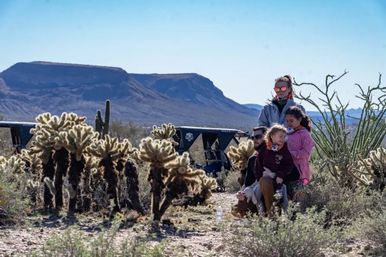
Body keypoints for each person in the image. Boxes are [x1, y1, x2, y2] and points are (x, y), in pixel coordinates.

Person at [256, 124, 297, 216]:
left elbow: (289, 165)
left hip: (279, 180)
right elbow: (258, 165)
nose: (282, 139)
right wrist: (260, 177)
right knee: (260, 190)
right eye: (280, 136)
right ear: (272, 136)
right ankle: (269, 214)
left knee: (280, 196)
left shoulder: (284, 150)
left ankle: (273, 215)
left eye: (284, 136)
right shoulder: (264, 149)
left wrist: (279, 175)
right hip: (264, 179)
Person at [232, 126, 267, 217]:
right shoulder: (252, 159)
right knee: (241, 206)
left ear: (267, 137)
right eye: (253, 138)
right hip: (255, 195)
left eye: (258, 137)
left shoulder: (272, 155)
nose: (255, 140)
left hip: (270, 194)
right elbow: (248, 182)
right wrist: (241, 192)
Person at [285, 106, 315, 203]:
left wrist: (291, 154)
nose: (289, 124)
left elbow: (306, 153)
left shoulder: (305, 134)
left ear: (299, 119)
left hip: (300, 171)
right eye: (287, 121)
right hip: (288, 169)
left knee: (299, 196)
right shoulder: (288, 133)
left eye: (291, 121)